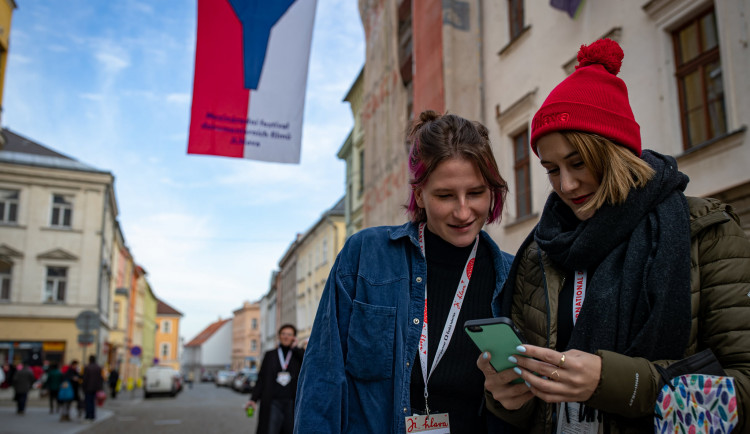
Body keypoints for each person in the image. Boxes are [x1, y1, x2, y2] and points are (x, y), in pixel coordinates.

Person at [477, 38, 750, 433]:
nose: (567, 185)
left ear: (615, 152)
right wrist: (505, 397)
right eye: (551, 169)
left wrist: (619, 383)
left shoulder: (706, 233)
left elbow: (741, 396)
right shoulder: (540, 252)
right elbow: (531, 407)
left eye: (579, 162)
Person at [294, 110, 515, 433]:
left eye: (476, 193)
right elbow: (322, 381)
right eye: (445, 195)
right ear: (420, 193)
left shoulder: (510, 276)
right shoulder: (364, 257)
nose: (463, 211)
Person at [246, 324, 305, 434]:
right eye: (283, 334)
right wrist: (253, 399)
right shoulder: (270, 355)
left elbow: (308, 364)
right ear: (279, 336)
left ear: (294, 338)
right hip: (273, 402)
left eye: (289, 334)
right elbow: (261, 379)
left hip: (291, 403)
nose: (286, 337)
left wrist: (296, 348)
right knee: (270, 430)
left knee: (291, 430)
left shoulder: (298, 355)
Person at [82, 355, 103, 421]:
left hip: (88, 387)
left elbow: (85, 378)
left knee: (88, 401)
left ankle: (88, 415)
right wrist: (100, 387)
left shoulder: (87, 367)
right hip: (95, 387)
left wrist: (83, 386)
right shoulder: (98, 367)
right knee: (93, 401)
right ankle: (92, 415)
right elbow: (100, 378)